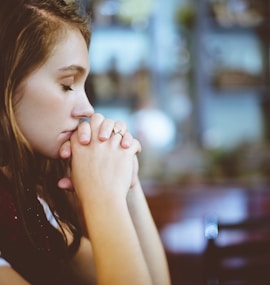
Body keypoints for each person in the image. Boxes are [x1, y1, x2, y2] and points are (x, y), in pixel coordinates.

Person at [0, 0, 171, 284]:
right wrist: (102, 199)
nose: (88, 109)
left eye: (83, 86)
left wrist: (127, 184)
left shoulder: (29, 202)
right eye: (67, 84)